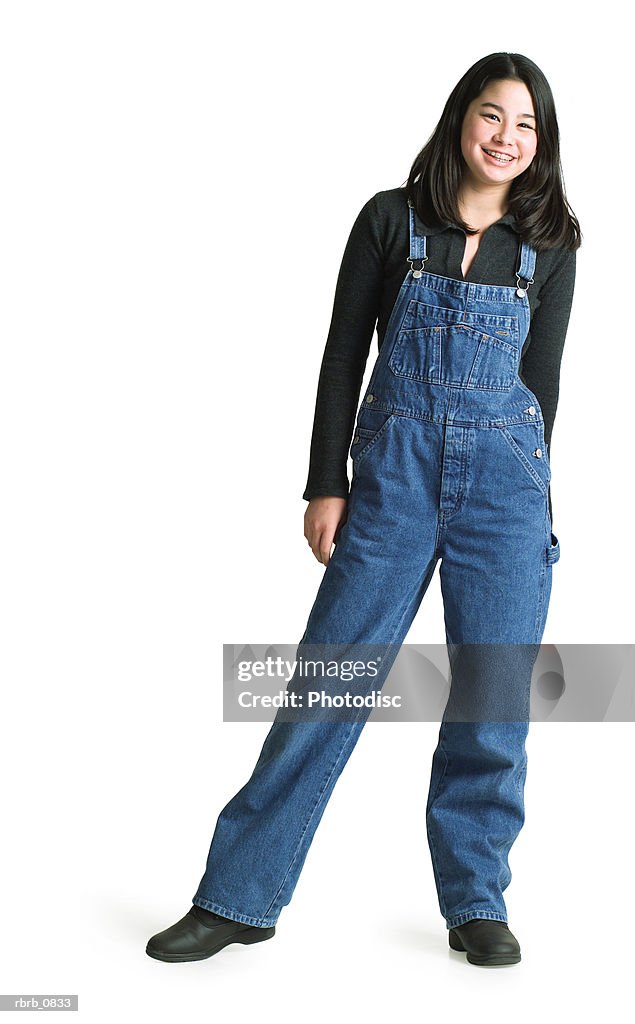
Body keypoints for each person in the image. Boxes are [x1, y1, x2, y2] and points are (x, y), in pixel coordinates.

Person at [146, 51, 580, 968]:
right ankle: (239, 899)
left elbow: (540, 387)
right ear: (460, 119)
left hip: (504, 488)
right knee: (328, 684)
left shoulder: (551, 242)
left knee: (492, 700)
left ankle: (475, 901)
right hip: (392, 479)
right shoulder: (391, 220)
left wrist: (536, 504)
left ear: (541, 143)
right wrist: (325, 482)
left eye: (526, 125)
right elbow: (344, 356)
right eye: (492, 117)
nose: (506, 138)